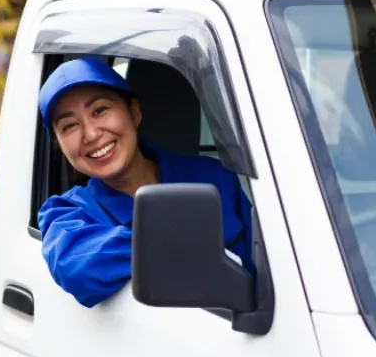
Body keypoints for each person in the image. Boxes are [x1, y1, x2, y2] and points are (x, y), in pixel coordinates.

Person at [37, 57, 255, 308]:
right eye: (70, 126)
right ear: (61, 146)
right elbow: (76, 268)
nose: (92, 134)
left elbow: (267, 268)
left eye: (99, 110)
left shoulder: (213, 177)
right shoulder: (67, 213)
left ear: (135, 112)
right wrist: (182, 242)